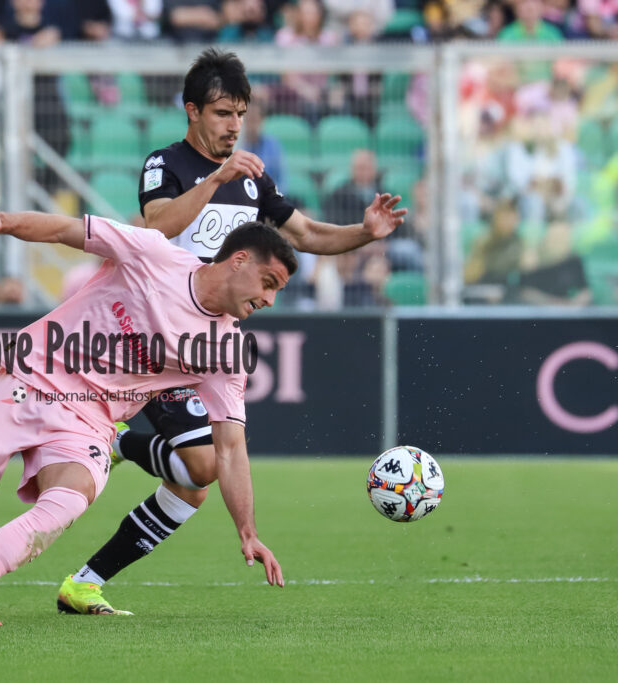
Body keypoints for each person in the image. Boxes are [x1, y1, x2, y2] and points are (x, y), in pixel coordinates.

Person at [0, 211, 296, 625]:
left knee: (69, 500)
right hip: (31, 374)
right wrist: (6, 222)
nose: (269, 300)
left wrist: (247, 531)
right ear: (239, 261)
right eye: (268, 283)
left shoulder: (226, 351)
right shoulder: (153, 254)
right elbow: (68, 230)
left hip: (90, 420)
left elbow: (229, 447)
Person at [56, 47, 403, 615]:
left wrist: (364, 233)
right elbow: (154, 225)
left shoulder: (251, 181)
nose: (234, 125)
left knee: (195, 483)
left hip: (206, 346)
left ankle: (85, 581)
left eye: (240, 113)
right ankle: (116, 443)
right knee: (204, 464)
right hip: (152, 336)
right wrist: (216, 178)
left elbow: (308, 235)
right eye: (222, 113)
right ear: (192, 111)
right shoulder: (165, 164)